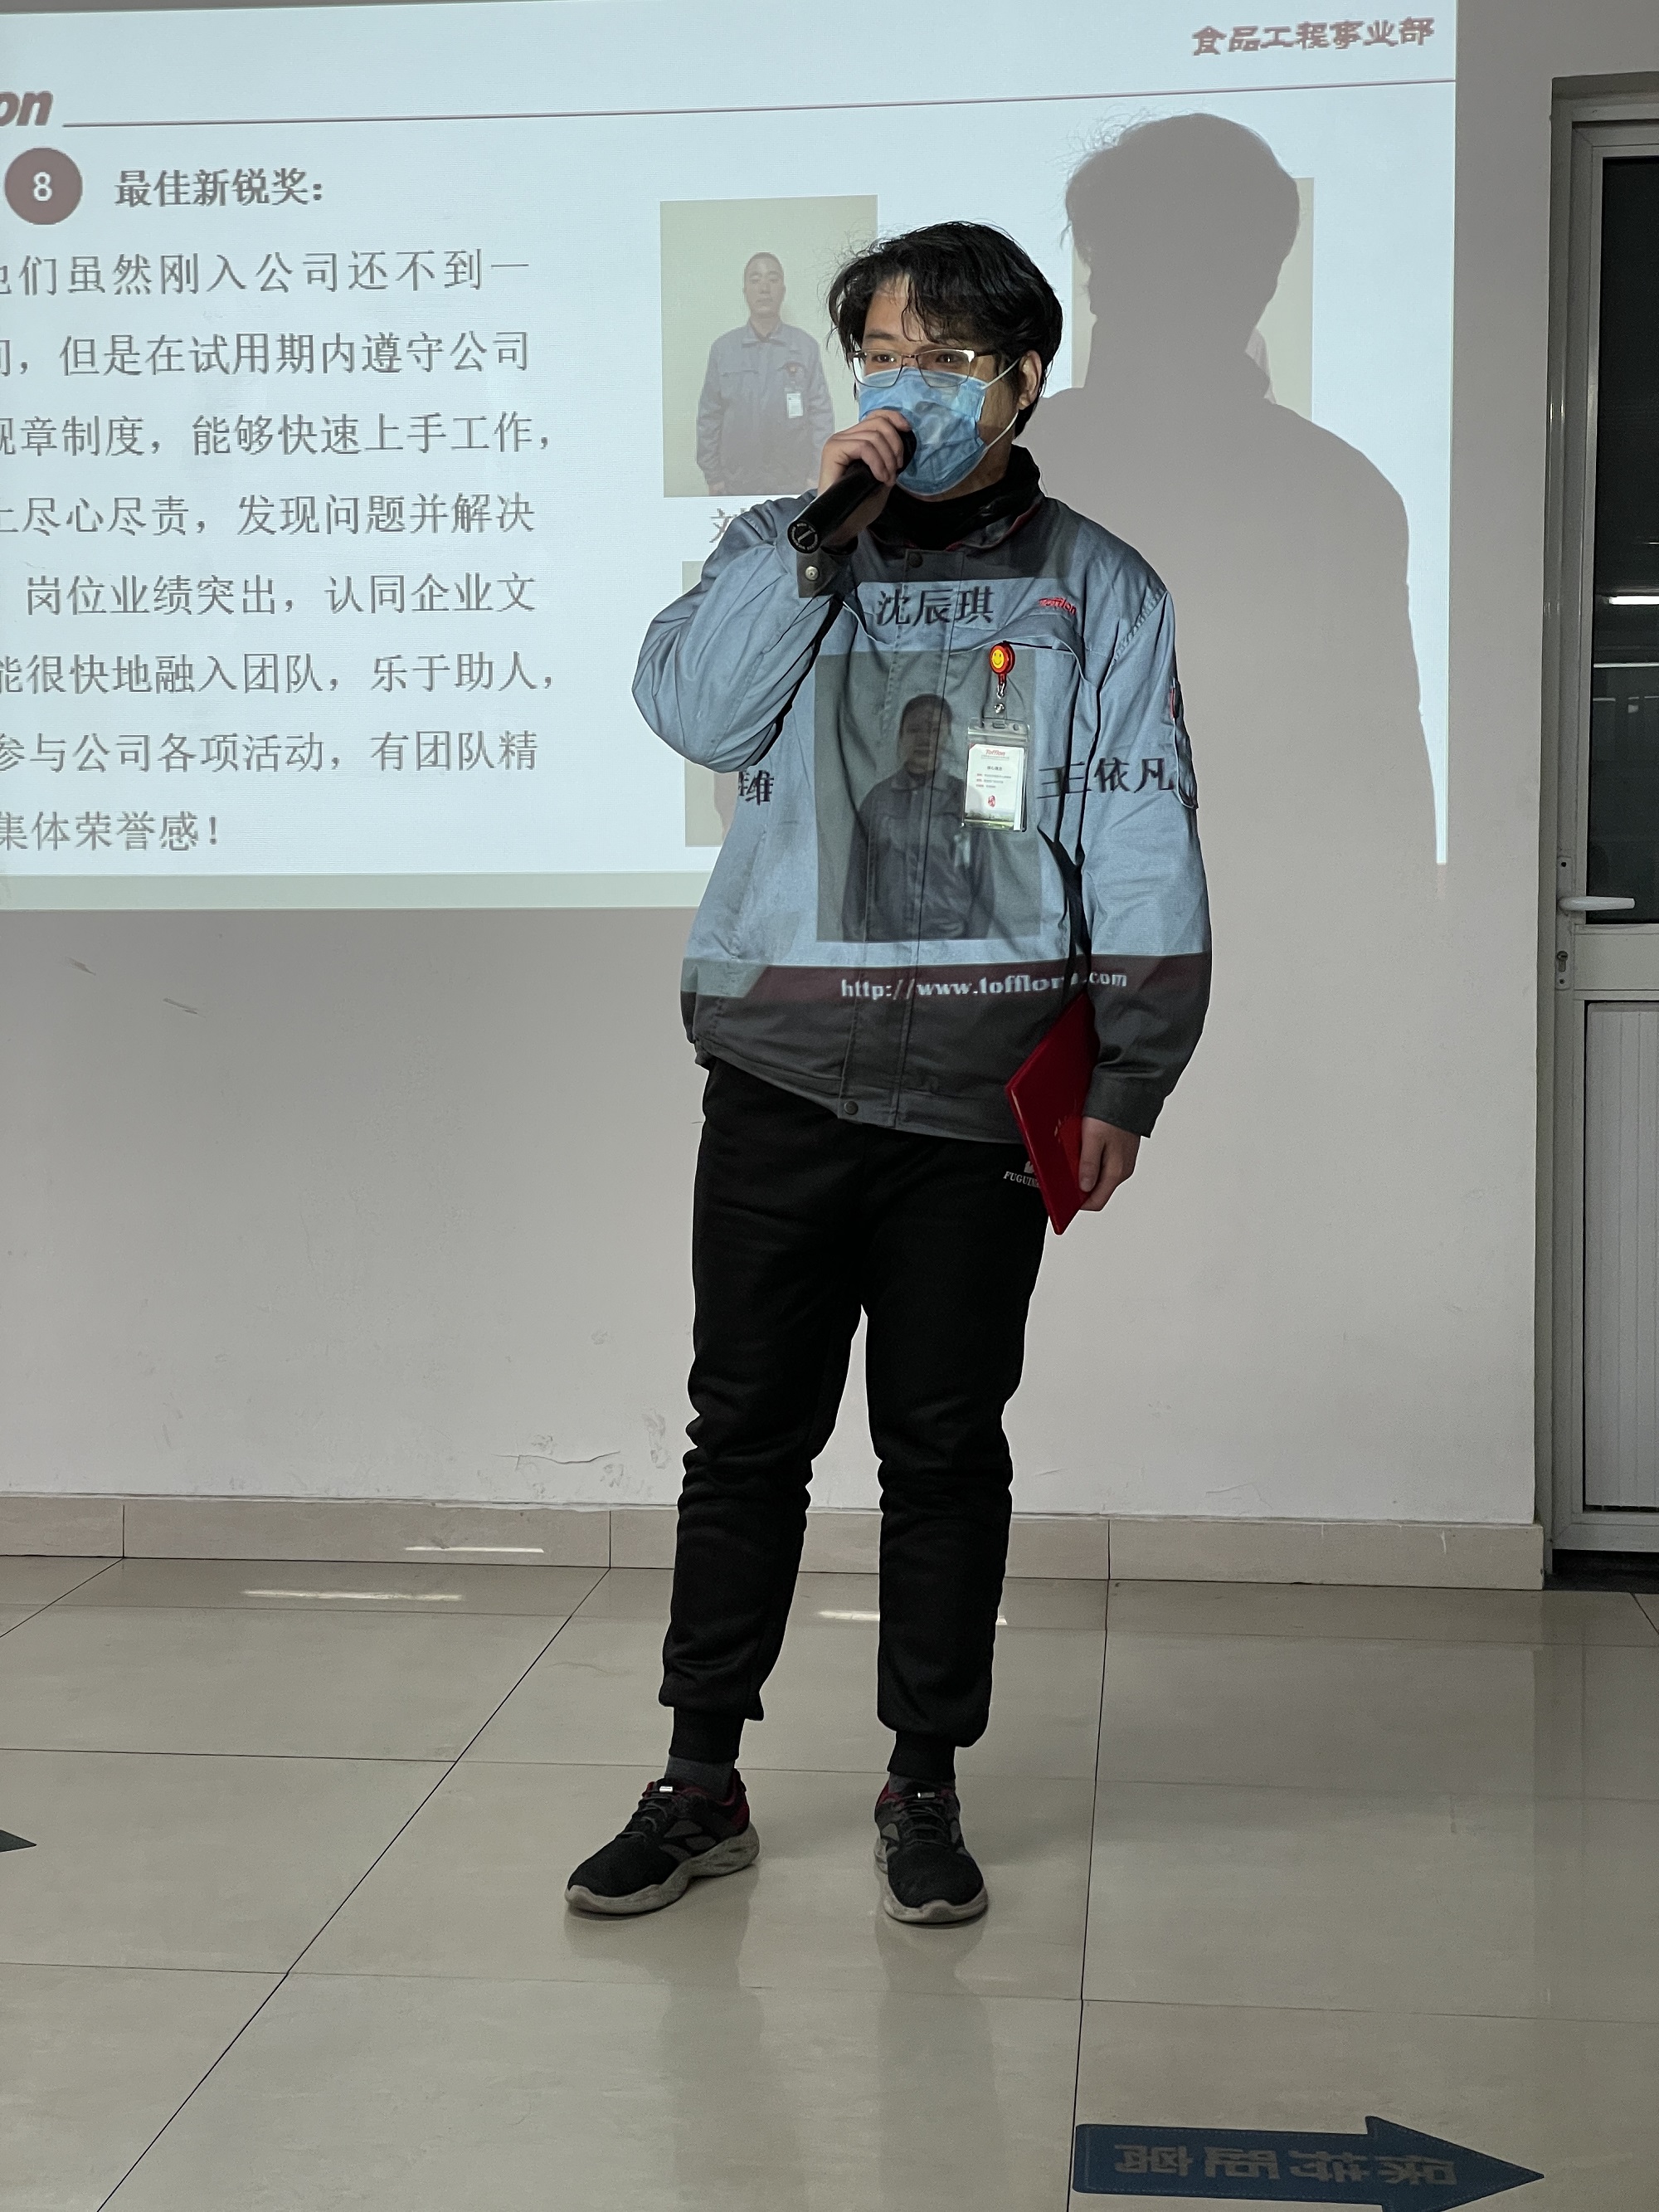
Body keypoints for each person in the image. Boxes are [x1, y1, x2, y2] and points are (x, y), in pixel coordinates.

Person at [567, 222, 1209, 1926]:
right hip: (779, 1068)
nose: (902, 387)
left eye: (941, 359)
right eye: (879, 356)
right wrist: (811, 538)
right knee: (743, 1436)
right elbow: (698, 718)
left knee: (941, 1448)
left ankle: (923, 1779)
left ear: (1021, 378)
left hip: (977, 1095)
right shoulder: (779, 549)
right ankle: (698, 1777)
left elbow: (1141, 834)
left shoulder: (1099, 586)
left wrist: (1130, 1072)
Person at [842, 692, 993, 942]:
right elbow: (856, 882)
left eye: (934, 730)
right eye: (914, 730)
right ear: (901, 737)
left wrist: (972, 949)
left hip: (950, 942)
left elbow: (983, 883)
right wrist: (852, 944)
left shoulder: (965, 799)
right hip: (886, 943)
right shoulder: (878, 800)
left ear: (947, 736)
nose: (924, 738)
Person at [696, 251, 835, 495]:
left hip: (793, 485)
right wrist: (713, 476)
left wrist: (817, 475)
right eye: (755, 279)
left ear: (783, 290)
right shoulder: (723, 350)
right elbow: (709, 417)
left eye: (772, 279)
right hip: (736, 484)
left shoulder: (805, 347)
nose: (764, 288)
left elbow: (821, 416)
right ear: (745, 291)